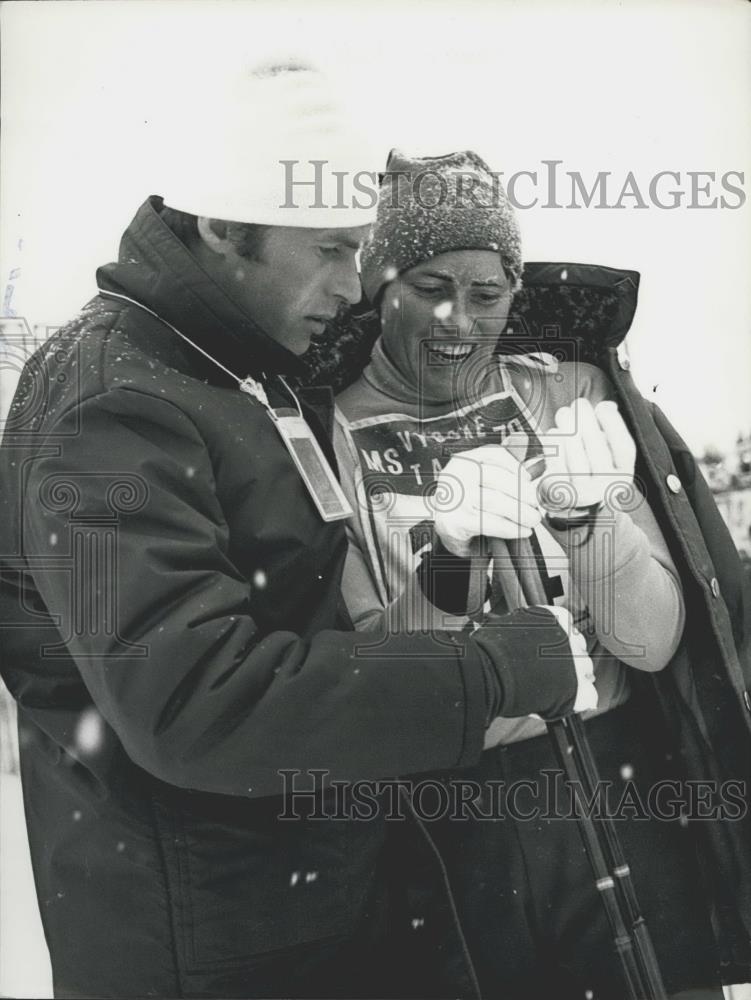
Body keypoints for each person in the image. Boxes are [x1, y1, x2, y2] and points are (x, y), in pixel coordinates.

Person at [0, 69, 594, 999]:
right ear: (221, 228)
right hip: (210, 947)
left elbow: (305, 616)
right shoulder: (111, 403)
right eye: (326, 250)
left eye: (360, 252)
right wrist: (490, 672)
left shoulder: (231, 367)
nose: (350, 284)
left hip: (301, 907)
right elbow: (195, 704)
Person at [334, 150, 751, 998]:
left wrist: (586, 522)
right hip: (460, 816)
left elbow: (655, 639)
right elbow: (374, 678)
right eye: (427, 286)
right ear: (379, 285)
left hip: (621, 776)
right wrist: (448, 569)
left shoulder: (569, 393)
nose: (458, 319)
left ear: (515, 294)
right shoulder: (330, 431)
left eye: (487, 294)